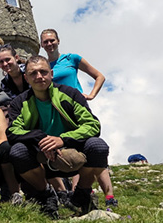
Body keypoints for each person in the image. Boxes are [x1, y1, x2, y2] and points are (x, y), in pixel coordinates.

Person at [6, 56, 110, 218]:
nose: (39, 76)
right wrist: (41, 139)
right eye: (33, 73)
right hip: (40, 155)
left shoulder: (70, 94)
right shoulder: (19, 103)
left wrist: (62, 139)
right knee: (17, 151)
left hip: (73, 150)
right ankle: (45, 195)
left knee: (98, 146)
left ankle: (82, 192)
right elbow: (12, 132)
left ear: (52, 74)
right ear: (26, 77)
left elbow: (92, 125)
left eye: (43, 72)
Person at [40, 29, 115, 207]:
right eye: (45, 42)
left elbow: (99, 76)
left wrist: (90, 95)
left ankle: (110, 196)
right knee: (72, 151)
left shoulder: (71, 58)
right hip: (56, 112)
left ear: (58, 41)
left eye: (52, 40)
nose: (49, 44)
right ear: (41, 45)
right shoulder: (43, 65)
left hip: (77, 108)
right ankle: (79, 194)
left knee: (92, 147)